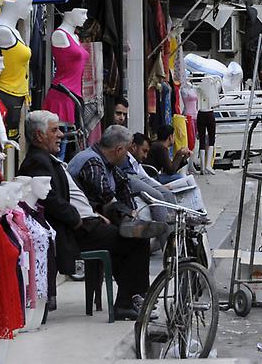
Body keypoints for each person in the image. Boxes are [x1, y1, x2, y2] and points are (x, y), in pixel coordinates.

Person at [19, 112, 153, 320]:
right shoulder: (37, 162)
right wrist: (78, 218)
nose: (61, 135)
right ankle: (129, 301)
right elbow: (50, 200)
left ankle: (131, 298)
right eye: (54, 130)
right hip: (75, 231)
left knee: (132, 236)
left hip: (86, 223)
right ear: (38, 136)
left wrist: (95, 213)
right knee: (135, 241)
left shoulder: (47, 159)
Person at [121, 132, 178, 225]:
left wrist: (160, 186)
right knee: (159, 196)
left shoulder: (136, 162)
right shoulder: (125, 161)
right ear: (133, 147)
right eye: (144, 151)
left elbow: (146, 178)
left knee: (167, 192)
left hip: (141, 180)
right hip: (131, 182)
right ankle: (166, 231)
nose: (145, 156)